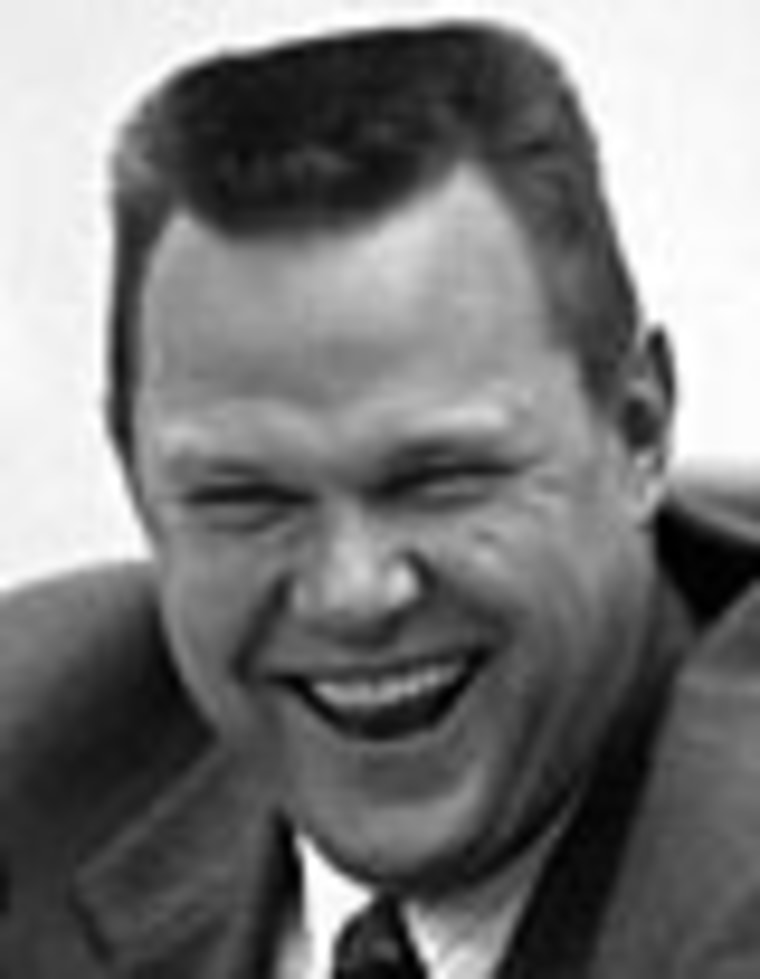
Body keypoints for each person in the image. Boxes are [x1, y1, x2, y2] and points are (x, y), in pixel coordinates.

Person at [2, 18, 760, 978]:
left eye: (439, 480)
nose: (351, 593)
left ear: (637, 433)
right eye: (246, 498)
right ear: (139, 481)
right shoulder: (37, 743)